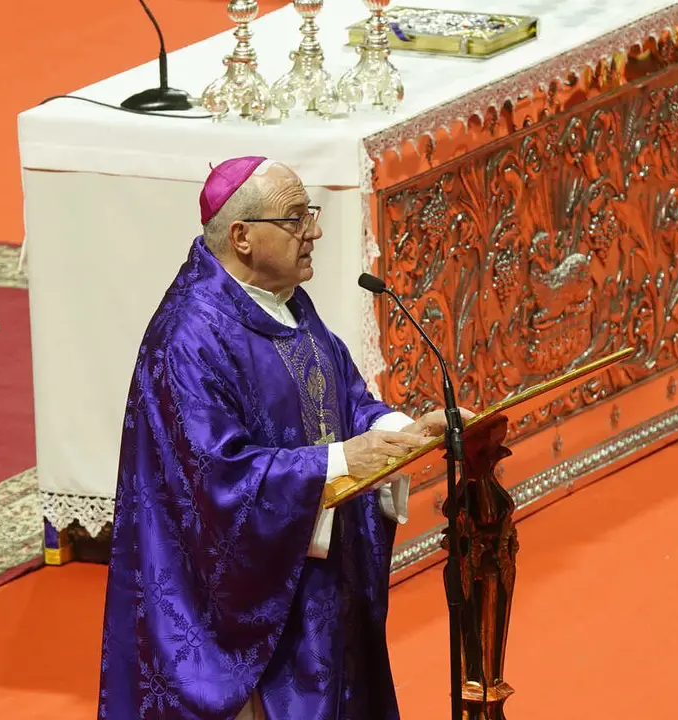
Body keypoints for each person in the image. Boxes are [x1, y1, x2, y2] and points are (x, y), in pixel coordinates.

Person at [98, 156, 466, 719]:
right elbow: (217, 483)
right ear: (242, 237)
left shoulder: (285, 302)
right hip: (228, 616)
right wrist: (339, 463)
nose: (314, 231)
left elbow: (342, 398)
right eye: (296, 219)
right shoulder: (189, 339)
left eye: (310, 214)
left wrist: (395, 433)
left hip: (306, 583)